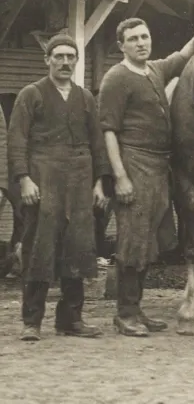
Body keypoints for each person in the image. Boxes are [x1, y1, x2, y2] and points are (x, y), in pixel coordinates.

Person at [98, 18, 194, 337]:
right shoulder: (116, 77)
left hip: (159, 166)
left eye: (145, 36)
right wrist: (120, 176)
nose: (141, 42)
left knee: (149, 240)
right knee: (132, 239)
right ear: (122, 45)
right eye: (133, 39)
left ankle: (137, 308)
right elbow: (109, 132)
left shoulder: (155, 69)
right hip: (133, 161)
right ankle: (125, 313)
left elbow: (183, 56)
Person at [7, 32, 111, 341]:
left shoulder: (85, 98)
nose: (65, 62)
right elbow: (17, 140)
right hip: (43, 178)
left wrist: (99, 183)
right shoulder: (31, 94)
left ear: (76, 61)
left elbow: (97, 143)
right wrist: (24, 179)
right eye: (59, 57)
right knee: (40, 246)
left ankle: (71, 320)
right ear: (47, 60)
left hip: (80, 180)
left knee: (78, 248)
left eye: (70, 57)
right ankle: (32, 321)